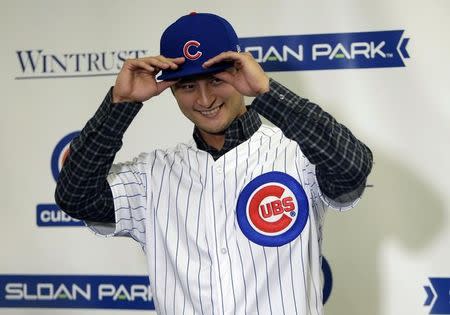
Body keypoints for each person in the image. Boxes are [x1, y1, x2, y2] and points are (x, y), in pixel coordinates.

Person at [55, 12, 373, 315]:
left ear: (240, 73)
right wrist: (120, 106)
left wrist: (267, 91)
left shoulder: (297, 153)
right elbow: (75, 197)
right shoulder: (150, 176)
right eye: (188, 86)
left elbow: (353, 167)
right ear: (172, 90)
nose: (205, 100)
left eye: (215, 80)